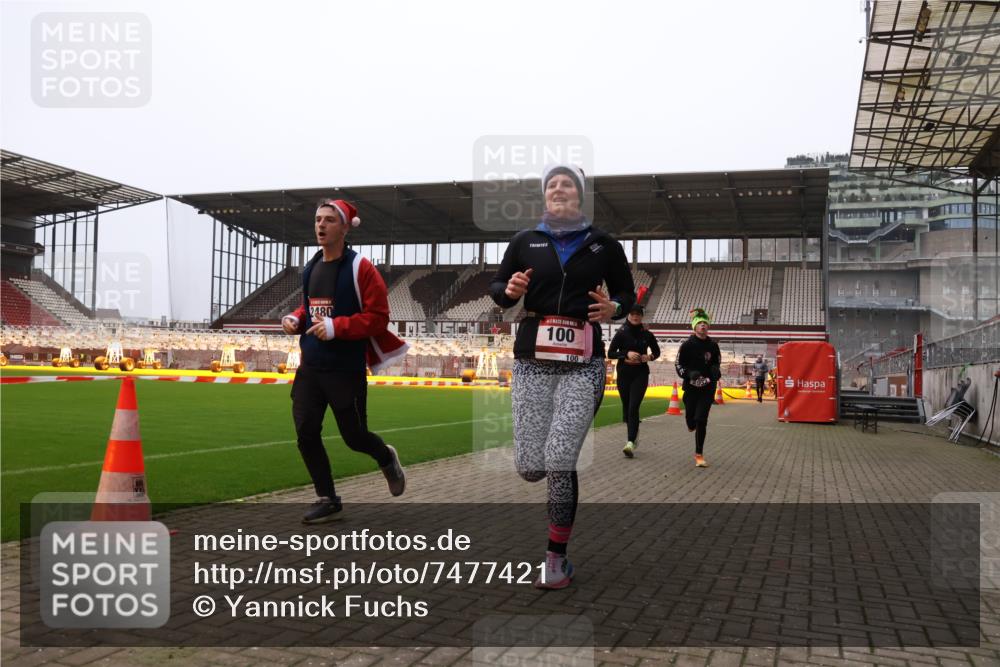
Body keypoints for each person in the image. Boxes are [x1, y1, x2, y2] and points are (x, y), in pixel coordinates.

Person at [490, 164, 634, 589]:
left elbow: (626, 293)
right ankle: (554, 539)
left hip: (582, 365)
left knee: (558, 458)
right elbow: (498, 288)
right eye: (551, 185)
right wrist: (510, 292)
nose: (557, 189)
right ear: (545, 197)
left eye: (566, 184)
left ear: (580, 196)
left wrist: (617, 310)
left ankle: (556, 558)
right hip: (532, 362)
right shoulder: (524, 240)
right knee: (531, 467)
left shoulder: (604, 245)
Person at [282, 199, 410, 523]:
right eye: (317, 220)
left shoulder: (361, 268)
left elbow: (378, 318)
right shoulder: (311, 266)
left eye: (328, 220)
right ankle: (327, 497)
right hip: (311, 366)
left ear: (344, 227)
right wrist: (295, 318)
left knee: (354, 437)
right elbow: (309, 307)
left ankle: (386, 457)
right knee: (305, 433)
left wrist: (336, 327)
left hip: (345, 369)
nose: (320, 226)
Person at [607, 303, 660, 458]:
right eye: (632, 313)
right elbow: (610, 353)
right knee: (626, 408)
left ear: (642, 315)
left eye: (638, 314)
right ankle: (634, 434)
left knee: (633, 407)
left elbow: (656, 352)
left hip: (640, 374)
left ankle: (630, 442)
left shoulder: (647, 334)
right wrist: (626, 354)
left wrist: (648, 357)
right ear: (628, 315)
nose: (635, 316)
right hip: (623, 373)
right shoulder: (622, 332)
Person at [674, 308, 722, 468]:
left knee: (702, 420)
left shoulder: (713, 346)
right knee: (691, 420)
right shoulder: (687, 345)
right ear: (694, 327)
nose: (703, 326)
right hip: (691, 387)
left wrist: (716, 370)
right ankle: (690, 422)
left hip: (708, 388)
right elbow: (679, 364)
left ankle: (699, 454)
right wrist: (689, 373)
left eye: (705, 323)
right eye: (699, 323)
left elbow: (716, 363)